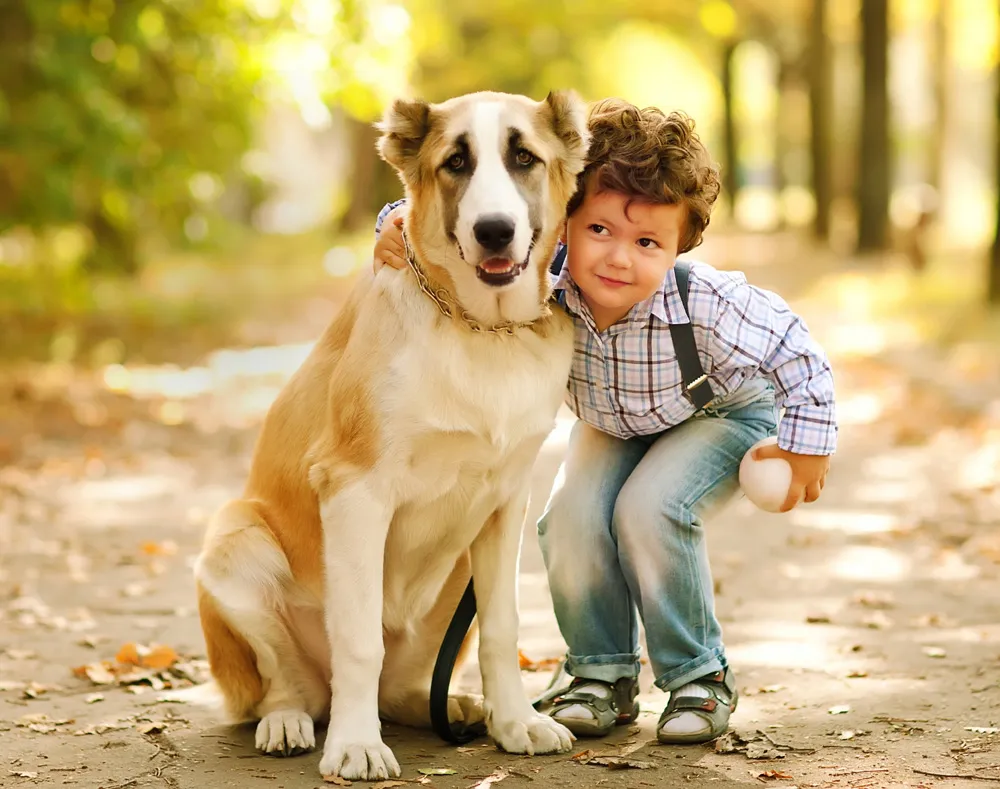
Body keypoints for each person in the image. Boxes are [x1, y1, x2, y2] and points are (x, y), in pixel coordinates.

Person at [371, 98, 837, 744]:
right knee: (568, 517)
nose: (619, 258)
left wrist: (807, 449)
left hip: (719, 412)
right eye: (599, 232)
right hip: (616, 423)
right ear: (562, 219)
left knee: (649, 508)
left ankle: (698, 675)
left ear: (681, 244)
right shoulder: (548, 281)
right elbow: (451, 204)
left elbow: (796, 347)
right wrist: (392, 221)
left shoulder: (705, 304)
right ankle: (600, 672)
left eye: (648, 241)